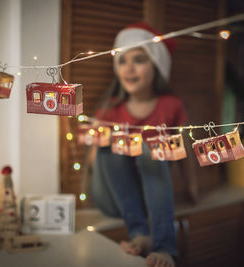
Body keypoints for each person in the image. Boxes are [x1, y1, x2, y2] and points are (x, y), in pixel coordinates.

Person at [91, 22, 196, 267]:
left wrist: (191, 186)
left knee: (150, 150)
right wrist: (98, 136)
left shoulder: (171, 105)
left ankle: (162, 246)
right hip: (112, 196)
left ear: (157, 66)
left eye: (139, 60)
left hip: (151, 198)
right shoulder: (110, 109)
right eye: (122, 61)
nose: (129, 69)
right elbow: (96, 161)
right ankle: (138, 231)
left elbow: (183, 150)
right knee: (110, 143)